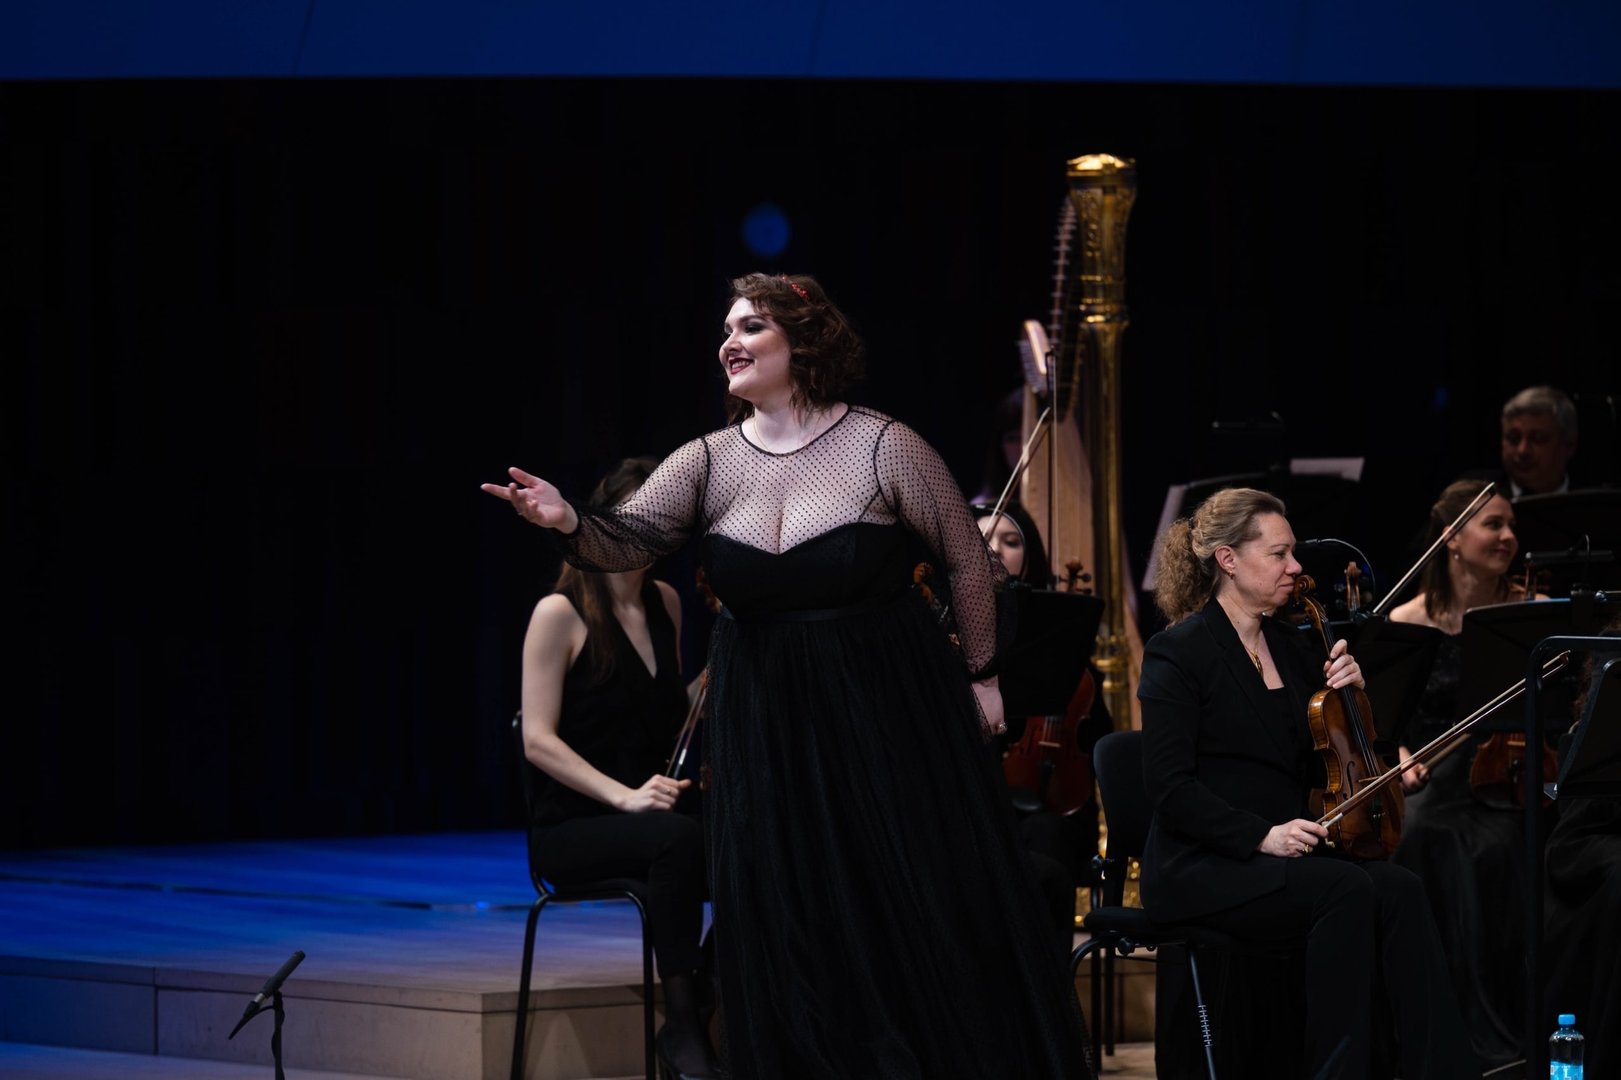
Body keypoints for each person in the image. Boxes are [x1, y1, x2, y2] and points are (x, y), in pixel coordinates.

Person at [484, 273, 1092, 1079]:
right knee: (786, 902)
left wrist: (980, 675)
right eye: (725, 329)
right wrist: (566, 520)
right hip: (765, 717)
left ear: (803, 343)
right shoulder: (707, 460)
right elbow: (628, 538)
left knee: (897, 890)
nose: (728, 343)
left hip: (878, 706)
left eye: (751, 327)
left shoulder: (881, 445)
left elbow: (965, 561)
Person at [1139, 486, 1477, 1080]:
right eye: (1279, 554)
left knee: (1399, 888)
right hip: (1206, 861)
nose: (1296, 567)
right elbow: (1170, 790)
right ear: (1228, 559)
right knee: (1343, 890)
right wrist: (1259, 835)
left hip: (1290, 854)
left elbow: (1329, 760)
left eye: (1292, 552)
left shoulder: (1293, 647)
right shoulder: (1177, 653)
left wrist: (1355, 697)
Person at [516, 456, 716, 1079]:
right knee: (678, 840)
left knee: (752, 832)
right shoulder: (560, 612)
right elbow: (538, 740)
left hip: (647, 815)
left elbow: (662, 715)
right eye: (633, 515)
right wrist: (624, 797)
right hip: (573, 826)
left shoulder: (665, 602)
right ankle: (683, 1025)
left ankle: (710, 990)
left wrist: (717, 678)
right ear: (601, 522)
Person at [1385, 479, 1541, 1069]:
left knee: (1500, 846)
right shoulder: (1407, 619)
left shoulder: (1529, 612)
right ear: (1451, 538)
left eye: (1511, 525)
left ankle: (1504, 1028)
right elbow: (1387, 720)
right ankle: (1437, 1028)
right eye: (1493, 524)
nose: (1508, 537)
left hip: (1508, 774)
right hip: (1432, 775)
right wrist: (1401, 755)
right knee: (1421, 835)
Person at [974, 500, 1111, 958]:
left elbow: (1098, 742)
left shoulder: (1056, 634)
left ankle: (1044, 990)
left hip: (1056, 809)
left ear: (1030, 555)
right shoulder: (946, 632)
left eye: (1011, 541)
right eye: (983, 539)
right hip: (979, 802)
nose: (996, 549)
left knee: (1045, 843)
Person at [1499, 385, 1579, 497]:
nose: (1523, 450)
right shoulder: (1480, 499)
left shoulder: (1596, 500)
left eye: (1538, 439)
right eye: (1513, 439)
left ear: (1569, 445)